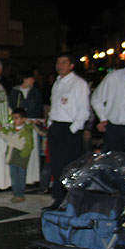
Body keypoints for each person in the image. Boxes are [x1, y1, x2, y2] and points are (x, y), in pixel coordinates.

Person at [46, 54, 90, 210]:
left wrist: (73, 129)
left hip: (69, 129)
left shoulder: (78, 84)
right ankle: (58, 199)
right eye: (58, 62)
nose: (59, 65)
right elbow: (54, 106)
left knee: (69, 167)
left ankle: (71, 201)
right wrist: (50, 124)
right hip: (56, 128)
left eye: (63, 62)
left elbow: (83, 110)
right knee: (56, 166)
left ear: (71, 65)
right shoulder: (57, 83)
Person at [90, 43, 125, 152]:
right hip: (113, 130)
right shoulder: (113, 77)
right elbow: (96, 98)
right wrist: (103, 118)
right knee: (112, 165)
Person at [0, 108, 35, 203]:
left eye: (16, 118)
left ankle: (20, 194)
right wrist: (1, 130)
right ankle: (17, 193)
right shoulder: (12, 129)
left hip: (20, 157)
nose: (14, 120)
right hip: (12, 156)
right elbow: (7, 138)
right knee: (14, 176)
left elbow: (29, 145)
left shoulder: (26, 131)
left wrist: (23, 155)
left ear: (23, 119)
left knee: (20, 176)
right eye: (13, 118)